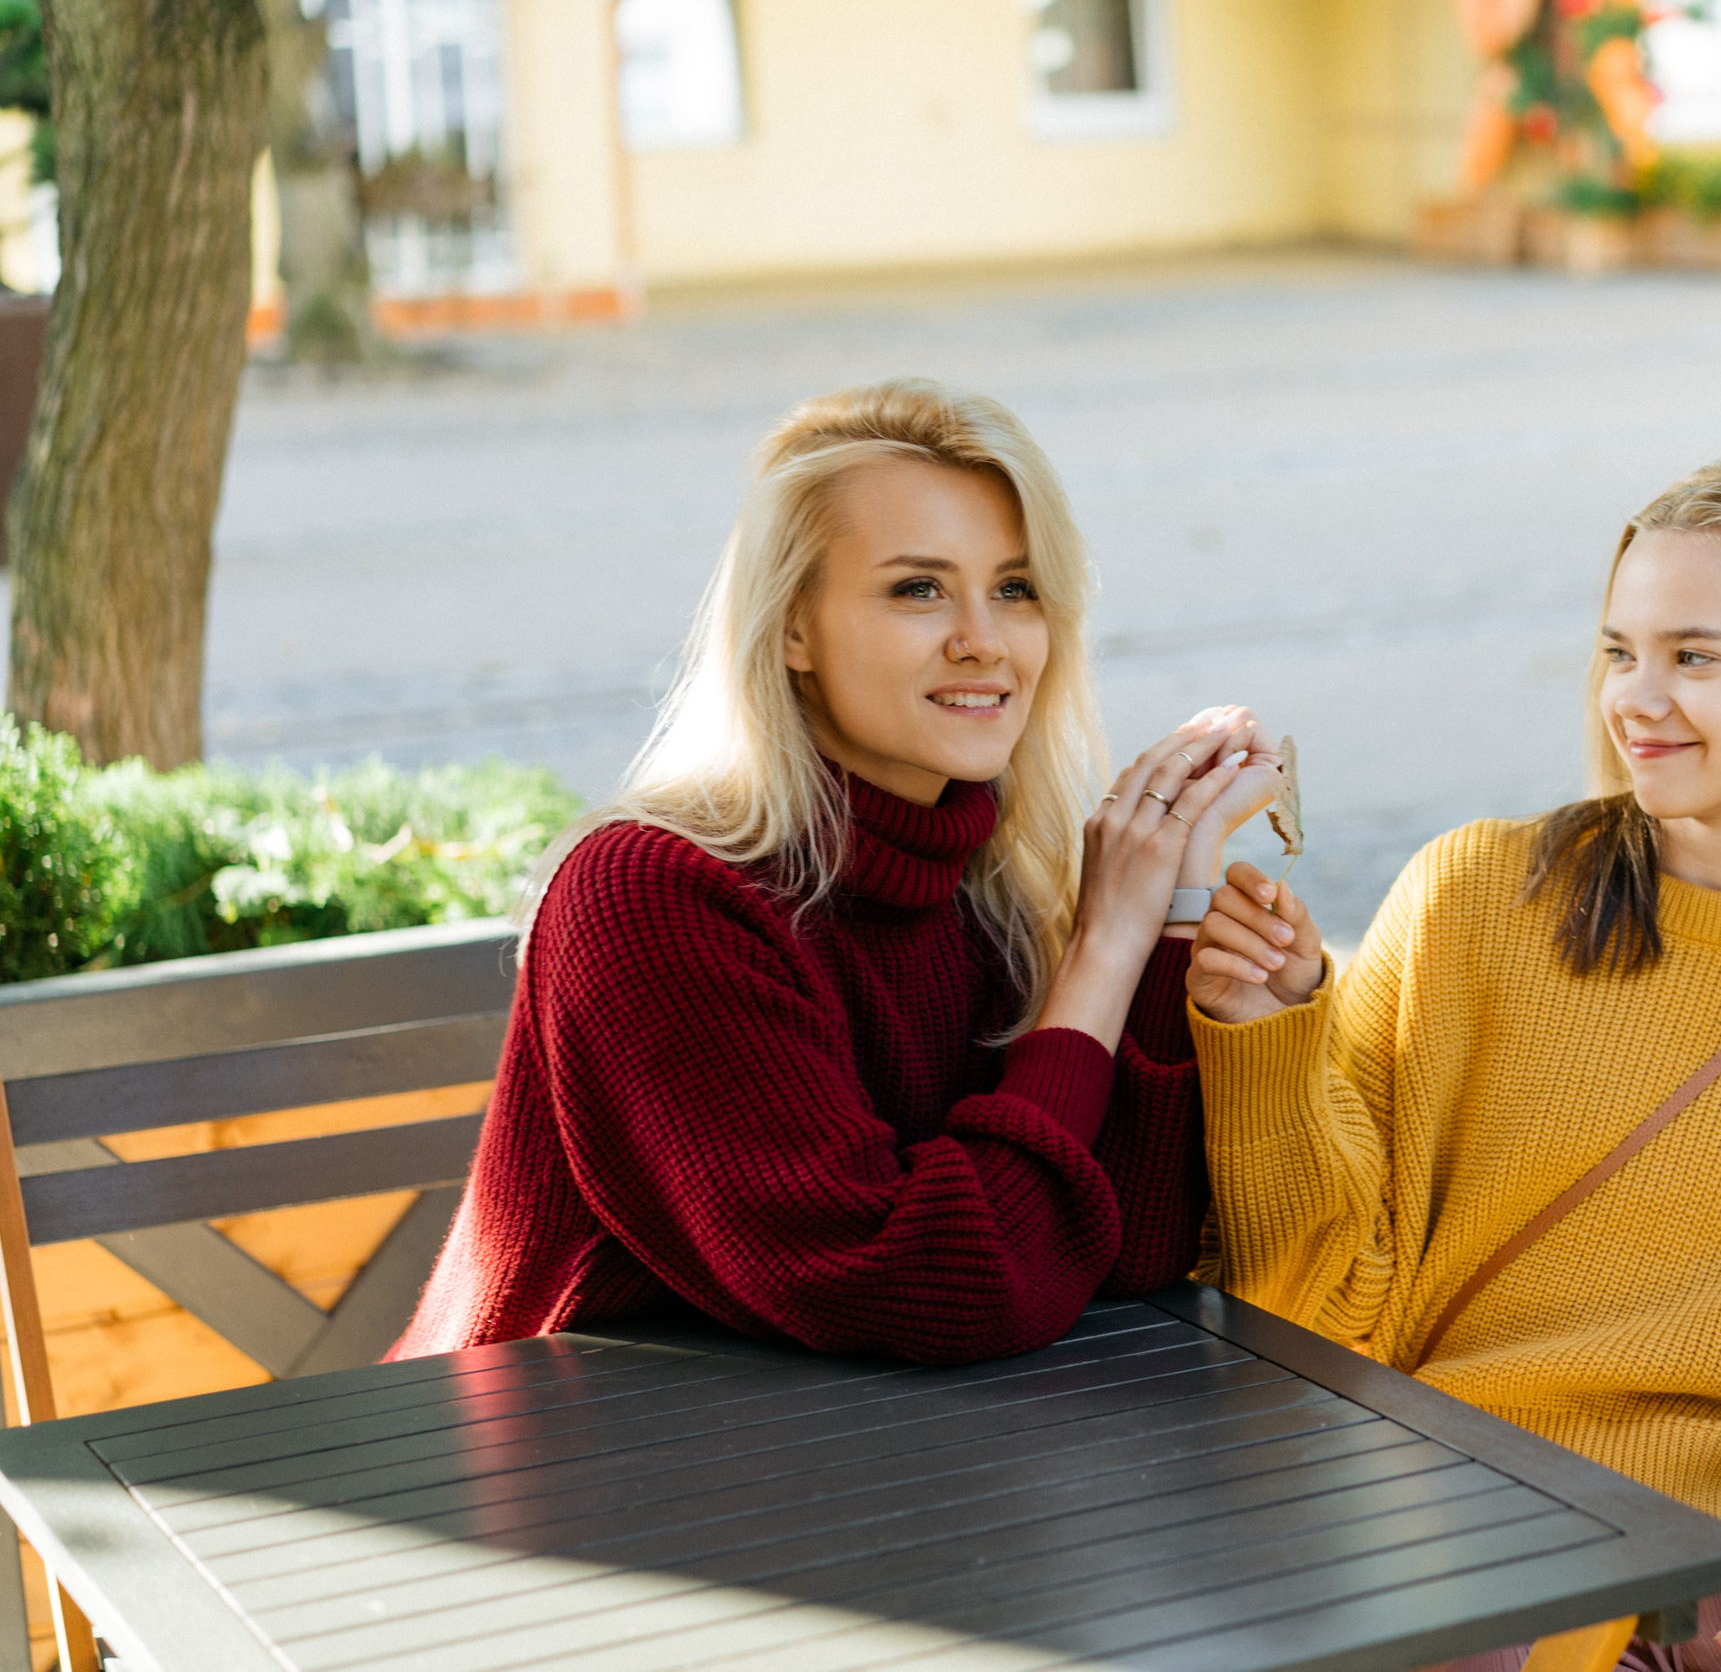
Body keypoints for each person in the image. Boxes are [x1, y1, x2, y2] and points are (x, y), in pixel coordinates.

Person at [1186, 455, 1721, 1672]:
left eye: (1693, 656)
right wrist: (1266, 1039)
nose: (1635, 698)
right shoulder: (1476, 899)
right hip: (1473, 1520)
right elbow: (1320, 1311)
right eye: (1619, 651)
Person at [394, 378, 1277, 1365]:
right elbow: (940, 1286)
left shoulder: (986, 889)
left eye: (1016, 588)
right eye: (918, 587)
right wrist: (1106, 942)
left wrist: (1172, 919)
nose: (984, 639)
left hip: (837, 1461)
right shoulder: (654, 896)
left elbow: (1122, 1246)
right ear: (790, 628)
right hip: (541, 1471)